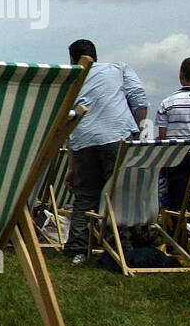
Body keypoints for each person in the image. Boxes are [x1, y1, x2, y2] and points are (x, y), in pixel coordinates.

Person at [63, 39, 148, 265]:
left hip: (84, 140)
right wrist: (136, 130)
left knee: (85, 196)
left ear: (72, 59)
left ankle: (77, 249)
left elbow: (68, 122)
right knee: (118, 192)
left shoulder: (72, 79)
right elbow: (140, 101)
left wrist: (72, 166)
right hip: (117, 135)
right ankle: (121, 246)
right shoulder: (118, 68)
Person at [156, 56, 190, 212]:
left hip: (177, 157)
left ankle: (177, 233)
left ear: (182, 76)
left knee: (177, 203)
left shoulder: (167, 103)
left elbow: (162, 138)